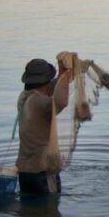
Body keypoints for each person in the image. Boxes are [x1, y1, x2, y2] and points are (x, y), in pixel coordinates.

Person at [16, 58, 71, 195]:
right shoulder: (43, 103)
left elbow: (48, 89)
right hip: (42, 173)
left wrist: (62, 75)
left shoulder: (24, 97)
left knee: (31, 211)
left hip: (24, 172)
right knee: (49, 214)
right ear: (46, 80)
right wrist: (64, 80)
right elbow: (61, 102)